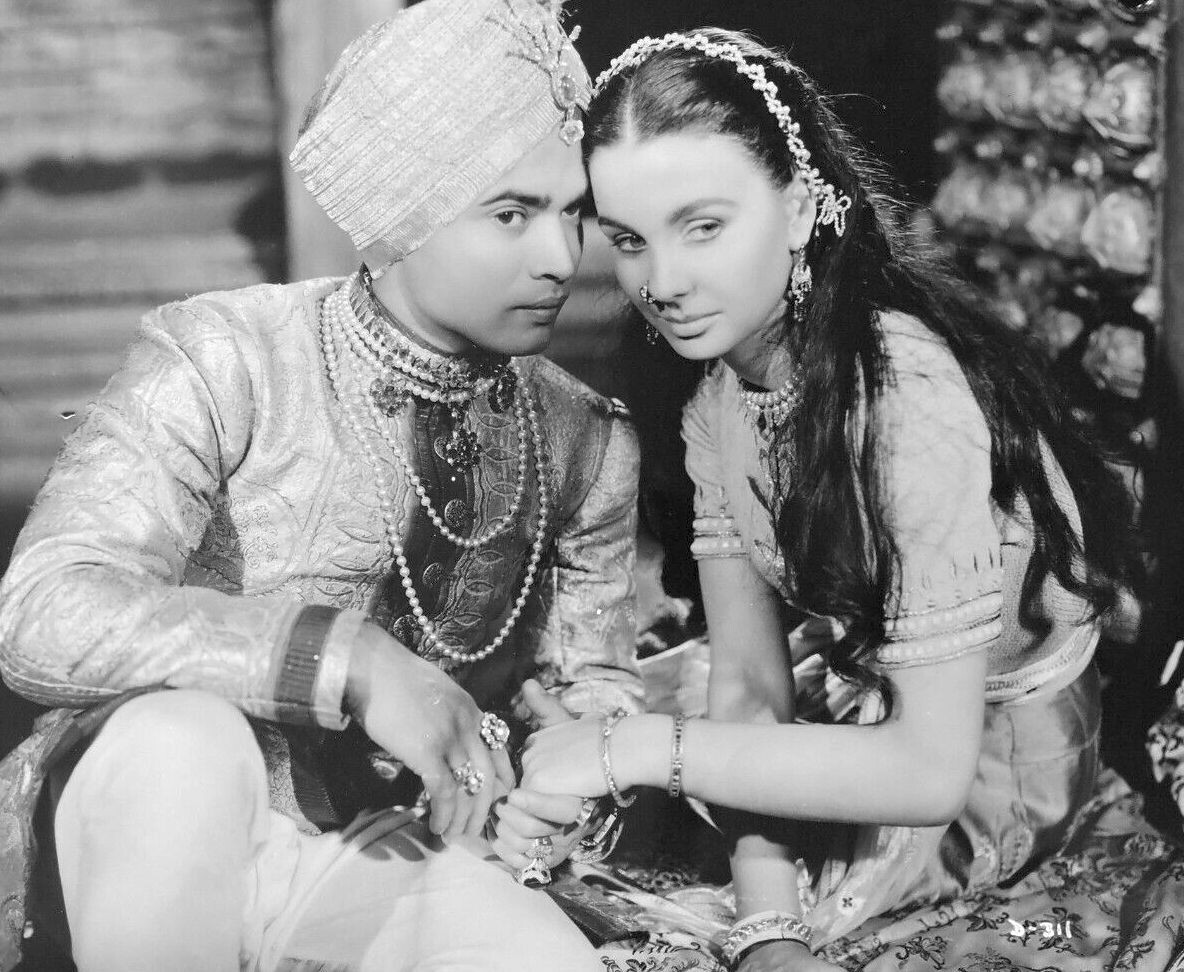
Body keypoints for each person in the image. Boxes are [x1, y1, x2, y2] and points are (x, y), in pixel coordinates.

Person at [0, 2, 643, 970]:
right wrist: (351, 661)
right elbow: (44, 611)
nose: (560, 257)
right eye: (511, 214)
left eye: (573, 211)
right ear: (396, 214)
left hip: (381, 844)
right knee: (184, 740)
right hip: (164, 811)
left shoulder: (584, 435)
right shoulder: (228, 355)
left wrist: (564, 781)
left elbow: (590, 690)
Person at [518, 28, 1134, 972]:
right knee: (550, 799)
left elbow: (928, 772)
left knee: (614, 877)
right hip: (862, 693)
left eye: (703, 226)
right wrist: (767, 922)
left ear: (802, 207)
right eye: (631, 241)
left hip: (984, 764)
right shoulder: (721, 400)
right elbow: (747, 686)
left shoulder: (907, 404)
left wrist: (639, 750)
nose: (662, 284)